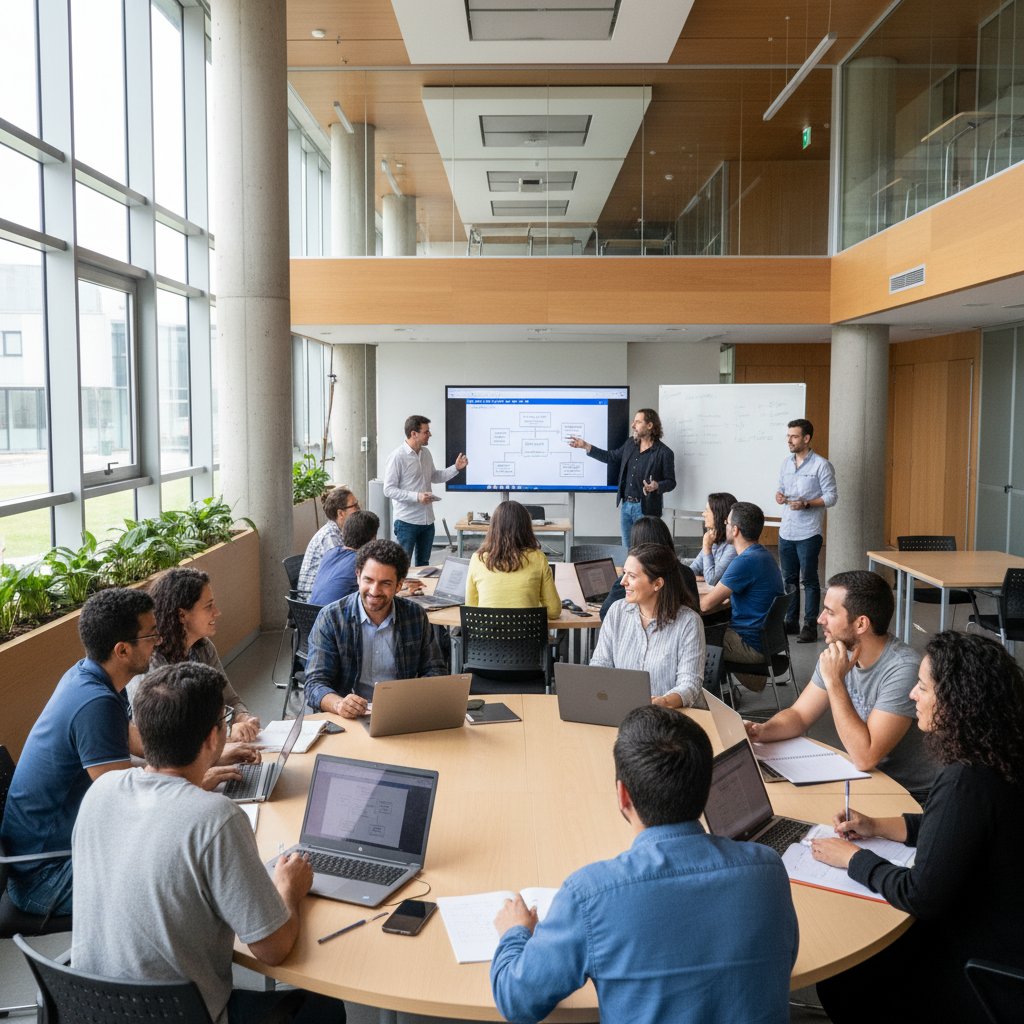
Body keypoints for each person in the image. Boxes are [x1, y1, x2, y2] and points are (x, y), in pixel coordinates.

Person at [70, 662, 345, 1024]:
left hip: (93, 1009)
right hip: (177, 1015)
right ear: (214, 738)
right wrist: (288, 888)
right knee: (325, 1008)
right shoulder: (217, 817)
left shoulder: (100, 791)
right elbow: (272, 950)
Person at [490, 705, 798, 1024]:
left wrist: (515, 932)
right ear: (706, 789)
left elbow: (517, 1001)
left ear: (623, 796)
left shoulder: (590, 895)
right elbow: (782, 963)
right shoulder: (768, 870)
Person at [810, 631, 1024, 1024]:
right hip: (1008, 931)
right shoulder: (1002, 756)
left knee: (844, 978)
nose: (913, 695)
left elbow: (921, 896)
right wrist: (877, 825)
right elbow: (958, 829)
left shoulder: (966, 779)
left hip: (982, 963)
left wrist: (855, 859)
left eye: (923, 687)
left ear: (958, 701)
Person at [744, 571, 934, 802]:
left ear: (861, 623)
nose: (819, 619)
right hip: (868, 781)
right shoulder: (838, 654)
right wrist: (761, 731)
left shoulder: (902, 669)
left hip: (911, 794)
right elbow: (800, 715)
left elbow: (865, 757)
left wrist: (835, 681)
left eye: (830, 612)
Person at [302, 538, 446, 718]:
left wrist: (413, 698)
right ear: (357, 575)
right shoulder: (331, 618)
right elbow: (314, 684)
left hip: (401, 713)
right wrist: (339, 704)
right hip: (347, 719)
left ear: (399, 585)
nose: (374, 591)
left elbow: (435, 670)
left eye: (385, 583)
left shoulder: (415, 616)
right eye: (368, 580)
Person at [145, 567, 261, 743]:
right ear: (182, 615)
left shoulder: (203, 647)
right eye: (209, 606)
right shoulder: (151, 662)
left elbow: (229, 698)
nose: (217, 612)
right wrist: (229, 734)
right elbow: (167, 736)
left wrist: (243, 718)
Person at [590, 544, 705, 708]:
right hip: (624, 711)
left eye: (632, 576)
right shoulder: (617, 611)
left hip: (673, 718)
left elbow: (690, 684)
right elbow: (600, 665)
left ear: (657, 583)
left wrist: (664, 701)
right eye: (624, 574)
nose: (623, 582)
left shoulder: (688, 623)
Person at [701, 501, 784, 692]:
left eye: (727, 522)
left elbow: (705, 605)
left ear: (735, 530)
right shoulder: (764, 554)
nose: (725, 524)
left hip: (751, 645)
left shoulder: (744, 561)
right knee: (714, 623)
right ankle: (726, 693)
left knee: (693, 636)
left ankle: (710, 700)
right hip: (768, 640)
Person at [568, 408, 676, 547]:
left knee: (645, 551)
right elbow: (611, 457)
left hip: (646, 509)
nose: (633, 425)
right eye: (634, 421)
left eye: (638, 422)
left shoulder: (664, 452)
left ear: (650, 425)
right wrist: (586, 446)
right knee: (627, 549)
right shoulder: (630, 443)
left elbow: (671, 482)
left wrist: (657, 486)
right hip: (626, 506)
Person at [775, 419, 837, 644]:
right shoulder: (785, 463)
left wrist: (807, 503)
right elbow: (781, 489)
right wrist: (779, 496)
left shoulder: (821, 465)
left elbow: (832, 497)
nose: (789, 440)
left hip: (809, 532)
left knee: (809, 580)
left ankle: (810, 625)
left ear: (806, 438)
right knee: (788, 579)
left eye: (794, 436)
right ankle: (791, 622)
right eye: (788, 436)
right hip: (787, 530)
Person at [383, 414, 468, 566]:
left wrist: (456, 468)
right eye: (426, 431)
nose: (430, 434)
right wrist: (417, 497)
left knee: (424, 565)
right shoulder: (397, 457)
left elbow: (435, 476)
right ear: (413, 434)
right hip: (406, 521)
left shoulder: (426, 453)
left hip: (428, 521)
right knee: (402, 566)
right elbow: (388, 490)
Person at [465, 500, 561, 618]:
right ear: (526, 527)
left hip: (487, 635)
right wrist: (532, 603)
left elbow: (470, 609)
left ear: (493, 527)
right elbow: (553, 611)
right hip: (528, 635)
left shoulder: (477, 559)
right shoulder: (538, 558)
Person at [599, 515, 699, 620]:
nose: (624, 582)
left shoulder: (631, 579)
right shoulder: (687, 572)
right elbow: (695, 609)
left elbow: (605, 614)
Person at [297, 486, 361, 599]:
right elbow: (345, 576)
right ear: (341, 513)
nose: (359, 509)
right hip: (313, 604)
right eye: (355, 506)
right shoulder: (330, 537)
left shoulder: (339, 532)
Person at [309, 510, 380, 606]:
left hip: (310, 617)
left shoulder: (330, 553)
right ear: (373, 539)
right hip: (337, 618)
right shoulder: (363, 563)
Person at [688, 491, 738, 586]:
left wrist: (707, 548)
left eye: (707, 510)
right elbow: (690, 572)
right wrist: (704, 578)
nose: (703, 514)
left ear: (718, 515)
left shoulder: (733, 546)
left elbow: (712, 580)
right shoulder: (713, 540)